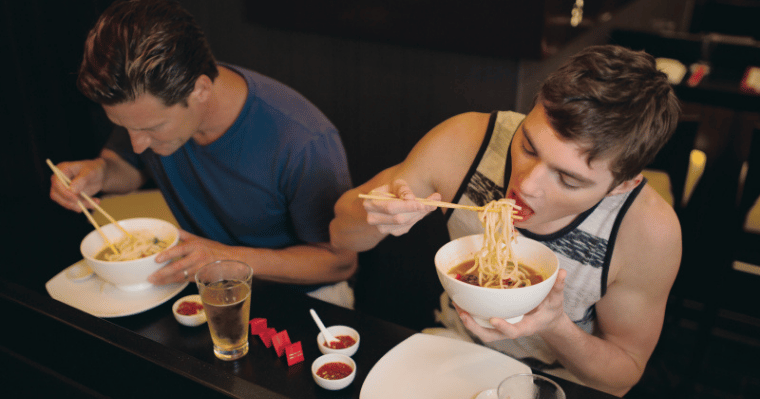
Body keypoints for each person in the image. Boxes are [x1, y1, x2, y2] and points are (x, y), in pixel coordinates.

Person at [330, 45, 682, 395]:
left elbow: (622, 374)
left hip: (562, 384)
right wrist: (375, 217)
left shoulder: (647, 232)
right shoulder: (465, 142)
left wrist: (556, 325)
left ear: (621, 185)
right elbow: (339, 236)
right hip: (455, 350)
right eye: (528, 146)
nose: (527, 184)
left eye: (568, 179)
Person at [49, 0, 357, 308]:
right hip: (208, 284)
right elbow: (130, 166)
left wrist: (226, 258)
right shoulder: (144, 110)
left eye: (153, 129)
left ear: (201, 90)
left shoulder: (302, 140)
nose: (138, 143)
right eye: (121, 125)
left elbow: (340, 262)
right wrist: (100, 172)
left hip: (304, 300)